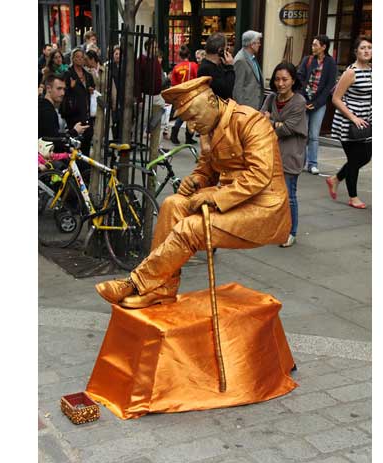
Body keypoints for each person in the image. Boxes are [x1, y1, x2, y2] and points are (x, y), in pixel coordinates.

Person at [94, 76, 291, 309]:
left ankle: (136, 281)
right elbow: (206, 168)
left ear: (211, 101)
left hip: (264, 208)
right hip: (235, 202)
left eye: (194, 118)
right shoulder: (209, 127)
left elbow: (260, 174)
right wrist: (197, 179)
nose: (192, 127)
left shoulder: (251, 122)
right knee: (172, 204)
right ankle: (162, 289)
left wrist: (215, 196)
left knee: (191, 229)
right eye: (187, 121)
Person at [261, 62, 307, 248]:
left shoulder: (299, 102)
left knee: (289, 195)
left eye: (285, 79)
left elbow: (286, 129)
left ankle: (291, 232)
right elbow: (260, 119)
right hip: (271, 154)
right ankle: (276, 228)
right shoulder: (271, 98)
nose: (280, 83)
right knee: (271, 194)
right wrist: (275, 123)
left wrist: (272, 122)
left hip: (290, 155)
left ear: (293, 80)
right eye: (277, 79)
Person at [328, 36, 372, 209]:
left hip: (366, 122)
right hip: (349, 123)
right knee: (355, 159)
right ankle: (353, 197)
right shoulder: (351, 72)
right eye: (363, 48)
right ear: (356, 51)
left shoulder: (371, 70)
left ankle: (335, 179)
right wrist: (353, 117)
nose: (367, 50)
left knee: (365, 156)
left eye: (369, 47)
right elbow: (336, 99)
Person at [296, 35, 338, 175]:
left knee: (314, 135)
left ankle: (312, 163)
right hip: (305, 101)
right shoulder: (307, 60)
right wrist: (305, 100)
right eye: (312, 45)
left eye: (315, 45)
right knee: (303, 134)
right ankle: (301, 162)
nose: (313, 47)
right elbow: (299, 78)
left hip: (319, 104)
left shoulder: (330, 63)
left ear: (323, 47)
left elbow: (329, 86)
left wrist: (316, 103)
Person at [60, 48, 96, 176]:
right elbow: (63, 92)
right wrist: (71, 87)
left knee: (87, 141)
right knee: (75, 144)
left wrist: (91, 89)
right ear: (73, 59)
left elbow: (93, 88)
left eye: (82, 57)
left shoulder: (87, 75)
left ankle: (85, 172)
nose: (80, 59)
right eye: (77, 57)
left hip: (86, 112)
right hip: (73, 113)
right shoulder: (68, 74)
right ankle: (75, 172)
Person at [38, 74, 89, 153]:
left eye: (64, 89)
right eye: (59, 89)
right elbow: (52, 140)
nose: (62, 93)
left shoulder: (45, 106)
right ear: (48, 89)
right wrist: (74, 131)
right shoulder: (46, 110)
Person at [136, 39, 165, 170]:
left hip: (157, 95)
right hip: (146, 95)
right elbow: (137, 80)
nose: (155, 49)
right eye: (153, 47)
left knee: (159, 120)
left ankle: (155, 145)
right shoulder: (142, 60)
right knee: (142, 121)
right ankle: (139, 142)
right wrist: (139, 98)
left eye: (156, 47)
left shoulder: (155, 60)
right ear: (147, 48)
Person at [169, 45, 199, 145]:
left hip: (181, 94)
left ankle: (174, 134)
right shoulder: (194, 65)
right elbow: (198, 80)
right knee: (191, 116)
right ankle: (188, 136)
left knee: (182, 115)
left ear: (179, 56)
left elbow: (173, 84)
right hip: (192, 94)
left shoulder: (176, 68)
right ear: (189, 55)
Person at [197, 33, 235, 101]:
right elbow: (226, 92)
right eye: (226, 49)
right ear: (220, 51)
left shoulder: (216, 65)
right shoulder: (206, 69)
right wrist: (230, 67)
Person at [232, 31, 265, 110]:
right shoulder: (241, 60)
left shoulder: (251, 57)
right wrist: (241, 110)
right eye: (257, 43)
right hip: (246, 108)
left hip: (254, 105)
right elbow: (237, 88)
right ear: (252, 44)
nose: (259, 45)